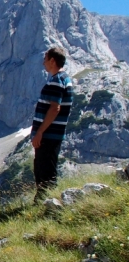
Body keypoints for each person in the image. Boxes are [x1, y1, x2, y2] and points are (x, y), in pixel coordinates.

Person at [31, 46, 74, 201]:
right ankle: (45, 201)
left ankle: (47, 203)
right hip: (52, 134)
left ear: (52, 60)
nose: (43, 63)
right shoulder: (63, 79)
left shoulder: (57, 81)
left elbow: (54, 109)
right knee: (43, 168)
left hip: (49, 135)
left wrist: (40, 132)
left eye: (45, 59)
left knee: (45, 170)